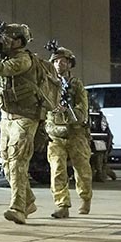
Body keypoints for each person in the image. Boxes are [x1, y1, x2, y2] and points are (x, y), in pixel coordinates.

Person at [0, 23, 41, 224]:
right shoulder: (6, 58)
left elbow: (1, 69)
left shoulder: (22, 59)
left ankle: (18, 208)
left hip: (25, 117)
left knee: (18, 160)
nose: (4, 41)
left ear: (19, 41)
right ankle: (28, 200)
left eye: (8, 38)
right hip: (7, 116)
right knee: (5, 162)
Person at [45, 47, 93, 217]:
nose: (59, 64)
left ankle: (85, 198)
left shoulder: (76, 84)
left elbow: (82, 111)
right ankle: (62, 204)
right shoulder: (48, 84)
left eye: (63, 61)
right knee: (57, 169)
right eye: (56, 61)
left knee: (82, 170)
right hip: (55, 134)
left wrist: (68, 111)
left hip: (76, 133)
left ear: (70, 64)